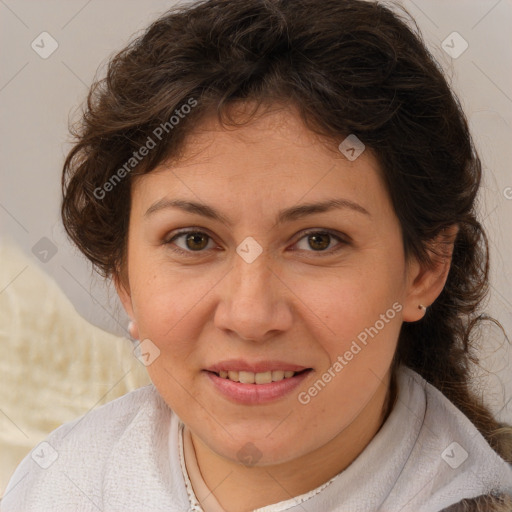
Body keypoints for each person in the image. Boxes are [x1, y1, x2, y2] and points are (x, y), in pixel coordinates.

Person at [2, 0, 511, 511]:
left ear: (424, 267)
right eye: (193, 240)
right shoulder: (52, 486)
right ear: (124, 278)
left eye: (318, 240)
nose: (250, 316)